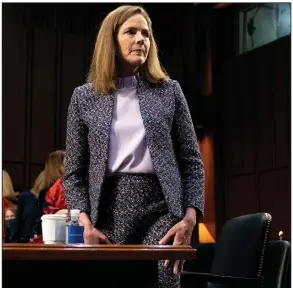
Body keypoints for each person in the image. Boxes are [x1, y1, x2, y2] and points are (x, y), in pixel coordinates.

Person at [63, 5, 204, 287]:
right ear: (111, 41)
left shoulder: (169, 91)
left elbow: (192, 163)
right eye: (131, 32)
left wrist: (190, 218)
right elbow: (74, 173)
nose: (141, 39)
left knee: (164, 278)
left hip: (162, 209)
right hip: (106, 211)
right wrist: (85, 223)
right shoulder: (84, 98)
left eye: (146, 34)